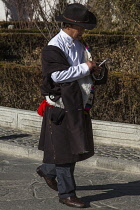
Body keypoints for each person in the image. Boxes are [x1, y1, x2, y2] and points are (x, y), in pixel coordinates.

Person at [36, 3, 107, 208]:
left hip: (76, 103)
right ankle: (66, 194)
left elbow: (81, 71)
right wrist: (86, 68)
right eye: (82, 28)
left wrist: (94, 70)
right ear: (69, 26)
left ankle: (47, 170)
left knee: (71, 148)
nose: (83, 32)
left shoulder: (79, 44)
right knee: (66, 151)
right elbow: (57, 76)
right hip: (60, 106)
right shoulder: (53, 47)